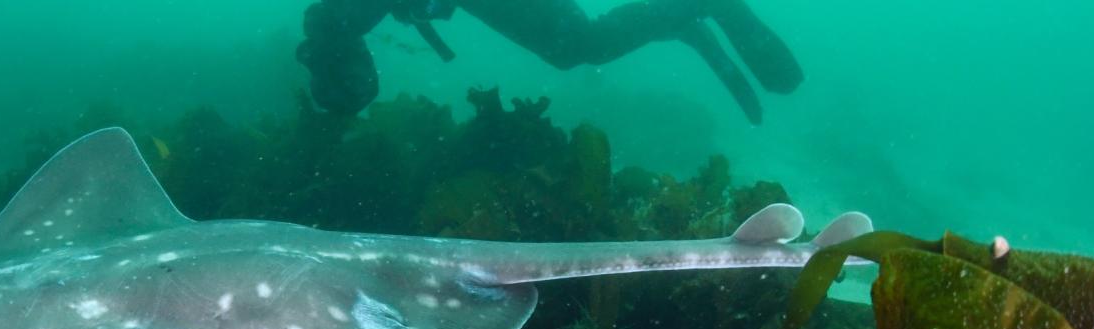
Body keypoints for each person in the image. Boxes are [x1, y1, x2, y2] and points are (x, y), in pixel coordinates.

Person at [297, 0, 803, 125]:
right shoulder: (335, 25)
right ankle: (675, 19)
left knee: (575, 47)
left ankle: (698, 7)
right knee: (574, 48)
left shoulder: (336, 25)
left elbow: (343, 33)